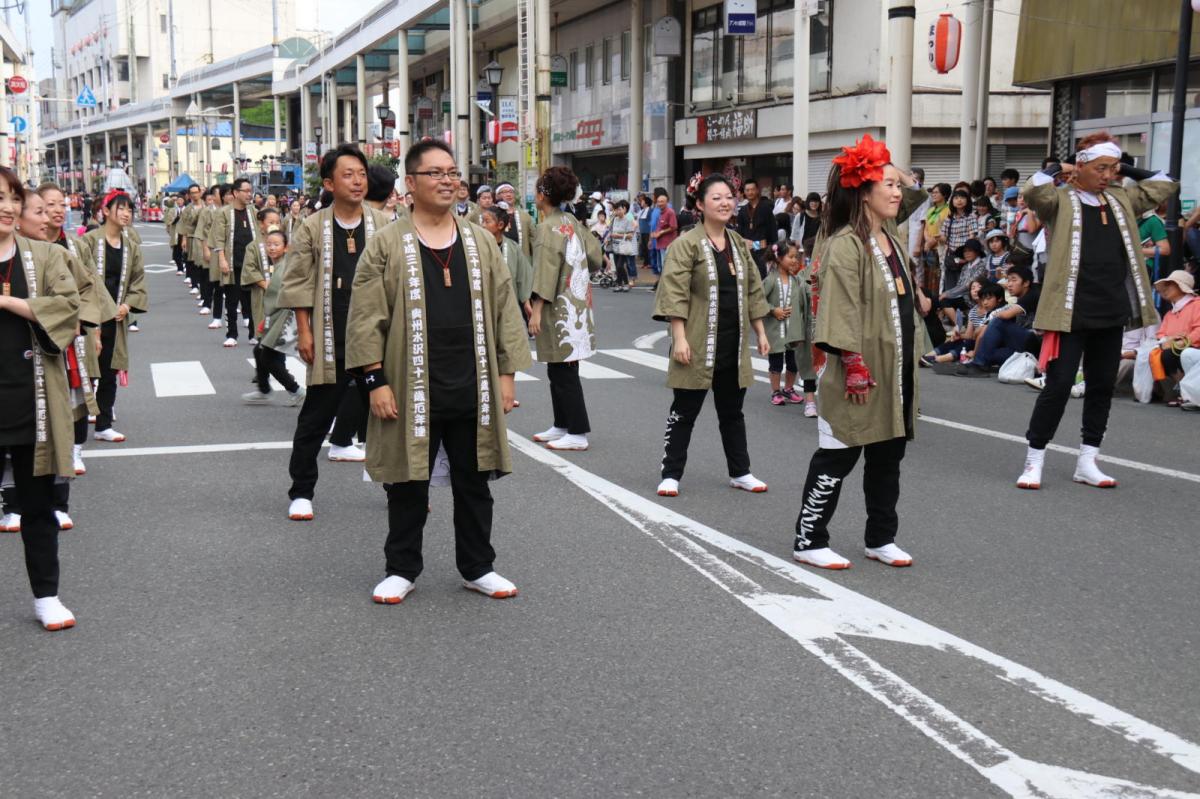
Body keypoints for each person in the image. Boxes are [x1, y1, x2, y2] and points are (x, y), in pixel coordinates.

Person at [345, 138, 532, 604]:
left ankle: (478, 566)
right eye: (436, 173)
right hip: (410, 385)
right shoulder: (387, 243)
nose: (448, 180)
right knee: (407, 481)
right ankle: (402, 568)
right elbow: (366, 315)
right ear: (410, 184)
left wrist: (506, 374)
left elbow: (506, 308)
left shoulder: (479, 241)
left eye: (453, 172)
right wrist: (375, 380)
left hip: (473, 382)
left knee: (475, 481)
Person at [1013, 132, 1178, 489]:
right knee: (1057, 385)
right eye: (1100, 168)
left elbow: (1164, 182)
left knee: (1101, 385)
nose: (1107, 175)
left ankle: (1087, 460)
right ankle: (1034, 459)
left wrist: (1125, 167)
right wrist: (1064, 165)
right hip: (1069, 310)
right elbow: (1033, 189)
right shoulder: (1059, 200)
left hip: (1111, 307)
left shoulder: (1121, 198)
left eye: (1112, 169)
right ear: (1081, 167)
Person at [793, 135, 917, 570]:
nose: (898, 190)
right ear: (864, 192)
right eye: (886, 184)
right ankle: (809, 538)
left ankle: (881, 537)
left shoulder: (892, 235)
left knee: (888, 454)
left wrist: (886, 164)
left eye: (896, 184)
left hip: (894, 366)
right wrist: (854, 365)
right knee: (839, 454)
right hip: (856, 369)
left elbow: (913, 191)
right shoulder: (844, 243)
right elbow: (840, 309)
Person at [276, 144, 392, 521]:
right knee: (315, 416)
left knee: (388, 416)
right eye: (348, 174)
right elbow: (297, 283)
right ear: (329, 182)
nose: (358, 181)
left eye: (361, 174)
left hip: (375, 337)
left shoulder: (382, 224)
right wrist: (305, 332)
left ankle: (398, 487)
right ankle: (301, 491)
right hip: (331, 336)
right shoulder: (313, 226)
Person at [652, 173, 771, 497]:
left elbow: (753, 290)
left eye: (729, 197)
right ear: (700, 204)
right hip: (697, 341)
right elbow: (674, 292)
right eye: (716, 197)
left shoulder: (737, 244)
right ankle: (671, 473)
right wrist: (679, 338)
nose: (725, 202)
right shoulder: (685, 244)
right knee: (684, 411)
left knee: (732, 413)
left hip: (732, 344)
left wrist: (760, 332)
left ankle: (740, 471)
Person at [0, 167, 83, 630]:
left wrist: (10, 302)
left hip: (31, 400)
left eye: (13, 197)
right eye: (1, 197)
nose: (9, 206)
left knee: (38, 506)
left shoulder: (46, 256)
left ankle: (46, 595)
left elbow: (69, 309)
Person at [528, 165, 604, 451]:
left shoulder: (548, 227)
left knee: (564, 373)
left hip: (558, 308)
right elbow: (596, 258)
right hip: (578, 305)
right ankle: (561, 424)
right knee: (559, 369)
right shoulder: (571, 221)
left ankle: (577, 431)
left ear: (543, 195)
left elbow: (545, 274)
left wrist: (536, 310)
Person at [77, 191, 148, 443]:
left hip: (116, 318)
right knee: (86, 373)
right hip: (88, 318)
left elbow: (138, 281)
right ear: (106, 211)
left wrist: (127, 306)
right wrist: (91, 317)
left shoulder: (131, 246)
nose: (127, 213)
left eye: (130, 209)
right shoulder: (88, 241)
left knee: (109, 372)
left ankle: (103, 425)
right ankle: (75, 434)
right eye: (121, 208)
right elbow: (79, 279)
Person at [243, 226, 305, 406]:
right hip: (276, 315)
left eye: (276, 244)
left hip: (286, 316)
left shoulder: (287, 266)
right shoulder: (278, 265)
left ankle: (296, 390)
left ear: (286, 247)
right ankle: (265, 389)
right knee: (261, 351)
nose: (272, 248)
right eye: (269, 244)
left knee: (268, 356)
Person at [762, 241, 816, 415]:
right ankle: (775, 391)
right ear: (778, 258)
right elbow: (759, 300)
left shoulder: (797, 279)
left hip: (793, 330)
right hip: (775, 330)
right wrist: (773, 310)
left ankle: (789, 388)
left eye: (796, 257)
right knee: (776, 361)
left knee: (793, 361)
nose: (795, 260)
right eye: (791, 257)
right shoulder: (770, 280)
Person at [956, 265, 1041, 375]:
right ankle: (980, 363)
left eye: (1014, 280)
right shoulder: (1020, 298)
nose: (1009, 284)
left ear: (1026, 283)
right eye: (1008, 280)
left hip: (1033, 342)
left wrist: (990, 320)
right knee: (989, 353)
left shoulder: (1032, 294)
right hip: (1020, 345)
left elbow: (1006, 315)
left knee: (998, 321)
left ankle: (979, 365)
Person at [209, 178, 257, 348]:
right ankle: (232, 334)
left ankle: (254, 333)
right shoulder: (224, 212)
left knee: (252, 301)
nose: (250, 194)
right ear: (236, 193)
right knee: (231, 300)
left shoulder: (253, 211)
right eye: (246, 191)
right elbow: (219, 238)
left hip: (251, 265)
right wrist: (221, 258)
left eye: (251, 191)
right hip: (232, 262)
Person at [922, 279, 1003, 365]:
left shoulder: (992, 309)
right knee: (954, 340)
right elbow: (968, 335)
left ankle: (941, 359)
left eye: (979, 287)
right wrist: (959, 336)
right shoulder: (973, 311)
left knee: (968, 342)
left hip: (985, 341)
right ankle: (928, 356)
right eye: (973, 288)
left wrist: (971, 337)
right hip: (975, 339)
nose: (975, 290)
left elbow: (980, 334)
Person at [1148, 270, 1200, 405]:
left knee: (1171, 354)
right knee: (1159, 353)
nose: (1164, 289)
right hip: (1176, 349)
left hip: (1194, 348)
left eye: (1169, 285)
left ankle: (1185, 392)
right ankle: (1181, 390)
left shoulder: (1197, 305)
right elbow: (1161, 334)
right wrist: (1170, 339)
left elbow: (1198, 330)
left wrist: (1181, 342)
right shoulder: (1170, 313)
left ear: (1182, 287)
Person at [480, 205, 533, 322]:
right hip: (484, 305)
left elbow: (523, 275)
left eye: (487, 221)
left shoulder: (513, 248)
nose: (482, 225)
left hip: (508, 304)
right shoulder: (476, 247)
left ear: (500, 225)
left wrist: (526, 302)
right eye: (482, 221)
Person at [736, 178, 775, 278]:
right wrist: (743, 241)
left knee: (762, 278)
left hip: (763, 250)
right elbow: (738, 233)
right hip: (747, 251)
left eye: (752, 189)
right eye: (747, 190)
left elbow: (772, 231)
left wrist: (772, 252)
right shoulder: (742, 211)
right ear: (744, 192)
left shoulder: (766, 208)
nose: (750, 192)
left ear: (757, 190)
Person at [1139, 201, 1172, 315]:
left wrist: (1137, 251)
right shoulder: (1122, 218)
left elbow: (1165, 249)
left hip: (1143, 266)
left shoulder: (1152, 221)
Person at [494, 183, 535, 261]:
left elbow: (533, 239)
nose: (509, 194)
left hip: (521, 259)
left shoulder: (525, 216)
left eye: (511, 192)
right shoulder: (493, 214)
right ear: (497, 196)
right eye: (504, 192)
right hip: (500, 259)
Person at [608, 199, 639, 291]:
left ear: (624, 209)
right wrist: (608, 239)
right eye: (616, 210)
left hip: (624, 247)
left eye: (620, 209)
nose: (618, 211)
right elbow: (610, 231)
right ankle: (622, 284)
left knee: (620, 266)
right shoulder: (614, 219)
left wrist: (619, 235)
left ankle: (622, 283)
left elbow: (630, 235)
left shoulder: (627, 220)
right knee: (618, 266)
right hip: (615, 246)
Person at [649, 190, 677, 281]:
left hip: (667, 244)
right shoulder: (659, 212)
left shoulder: (670, 212)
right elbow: (657, 226)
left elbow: (673, 227)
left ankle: (667, 284)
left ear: (667, 202)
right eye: (658, 202)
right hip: (658, 243)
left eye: (662, 202)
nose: (659, 203)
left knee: (666, 265)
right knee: (660, 266)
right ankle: (661, 284)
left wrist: (661, 232)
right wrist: (652, 237)